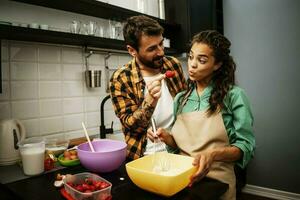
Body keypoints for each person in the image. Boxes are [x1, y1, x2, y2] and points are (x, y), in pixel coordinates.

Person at [148, 30, 255, 200]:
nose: (192, 65)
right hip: (184, 181)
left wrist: (212, 155)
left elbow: (245, 148)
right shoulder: (181, 99)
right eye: (191, 57)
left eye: (202, 60)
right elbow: (180, 147)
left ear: (217, 64)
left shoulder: (234, 96)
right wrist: (166, 137)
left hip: (218, 183)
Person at [109, 15, 186, 161]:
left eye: (161, 44)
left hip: (180, 151)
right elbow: (132, 128)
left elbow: (186, 107)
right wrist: (150, 101)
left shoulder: (173, 65)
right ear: (132, 50)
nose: (161, 52)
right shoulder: (121, 78)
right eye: (152, 49)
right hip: (146, 157)